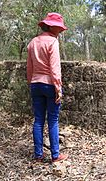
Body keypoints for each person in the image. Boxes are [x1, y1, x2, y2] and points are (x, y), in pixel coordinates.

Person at [26, 12, 68, 163]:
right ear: (51, 26)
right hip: (50, 84)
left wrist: (31, 83)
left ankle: (38, 155)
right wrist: (58, 88)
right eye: (58, 27)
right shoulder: (53, 42)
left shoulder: (32, 42)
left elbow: (29, 68)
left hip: (36, 84)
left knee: (38, 120)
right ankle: (55, 156)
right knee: (53, 120)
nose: (60, 31)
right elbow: (55, 68)